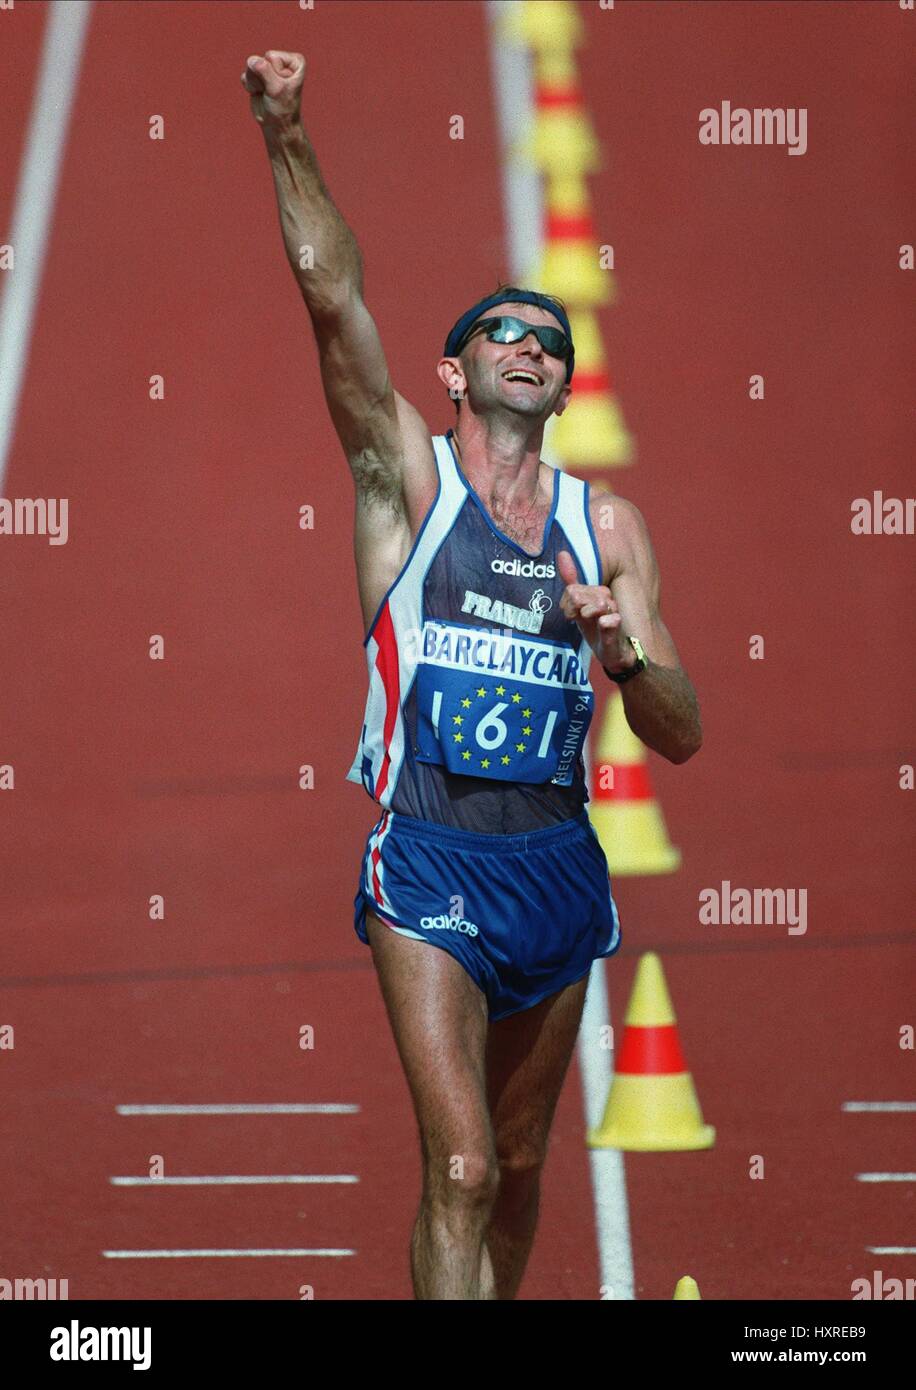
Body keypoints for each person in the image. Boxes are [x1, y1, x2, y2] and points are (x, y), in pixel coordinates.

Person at [243, 49, 702, 1301]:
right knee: (456, 1168)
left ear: (562, 384)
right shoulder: (406, 483)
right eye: (500, 330)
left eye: (548, 339)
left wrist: (624, 652)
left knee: (514, 1156)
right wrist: (286, 131)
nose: (528, 343)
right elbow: (331, 296)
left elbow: (678, 730)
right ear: (453, 373)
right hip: (430, 858)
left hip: (555, 862)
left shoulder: (607, 530)